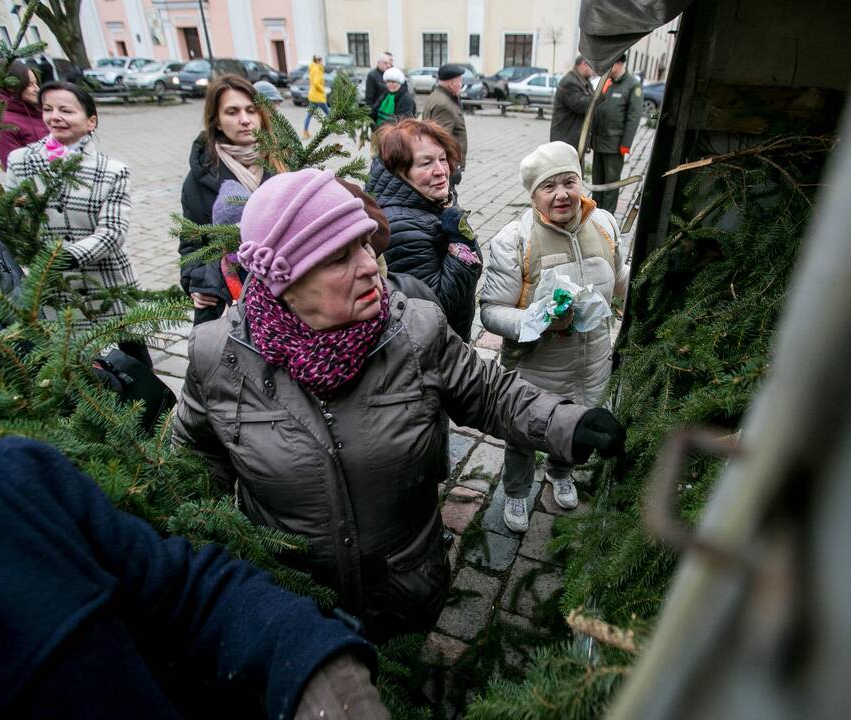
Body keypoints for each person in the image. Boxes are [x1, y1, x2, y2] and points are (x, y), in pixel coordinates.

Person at [173, 168, 625, 641]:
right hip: (289, 605)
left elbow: (490, 393)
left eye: (366, 244)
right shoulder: (218, 355)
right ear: (283, 280)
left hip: (404, 588)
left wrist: (567, 422)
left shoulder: (414, 328)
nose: (370, 265)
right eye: (339, 258)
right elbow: (197, 460)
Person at [0, 437, 389, 719]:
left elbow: (188, 593)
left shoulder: (9, 488)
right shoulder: (221, 354)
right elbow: (200, 459)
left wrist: (314, 662)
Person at [480, 141, 630, 532]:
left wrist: (646, 280)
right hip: (537, 364)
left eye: (570, 182)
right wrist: (535, 319)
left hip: (592, 357)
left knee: (577, 417)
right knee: (526, 430)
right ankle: (515, 492)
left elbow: (618, 279)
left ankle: (560, 472)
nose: (562, 194)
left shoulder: (605, 224)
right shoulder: (514, 240)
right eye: (549, 187)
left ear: (581, 184)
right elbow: (491, 311)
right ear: (534, 195)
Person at [4, 81, 150, 367]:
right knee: (73, 356)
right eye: (48, 109)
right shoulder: (21, 161)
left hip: (106, 278)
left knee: (134, 352)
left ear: (90, 120)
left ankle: (154, 405)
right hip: (51, 284)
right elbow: (13, 221)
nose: (55, 116)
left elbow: (112, 233)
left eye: (66, 110)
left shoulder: (111, 170)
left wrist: (62, 258)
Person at [180, 74, 286, 325]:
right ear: (216, 121)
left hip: (283, 288)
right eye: (232, 112)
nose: (245, 120)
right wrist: (199, 283)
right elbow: (191, 245)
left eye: (251, 110)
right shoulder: (201, 177)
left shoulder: (282, 163)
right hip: (229, 295)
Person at [365, 118, 481, 341]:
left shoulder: (429, 202)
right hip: (433, 354)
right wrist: (462, 243)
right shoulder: (400, 228)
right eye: (426, 163)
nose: (441, 171)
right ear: (399, 171)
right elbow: (437, 307)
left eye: (442, 159)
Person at [591, 53, 642, 214]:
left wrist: (626, 144)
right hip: (599, 143)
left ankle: (607, 216)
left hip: (614, 145)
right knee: (597, 182)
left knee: (611, 184)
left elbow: (633, 118)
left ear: (620, 64)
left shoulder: (632, 85)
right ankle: (594, 213)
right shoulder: (608, 82)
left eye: (611, 65)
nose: (608, 68)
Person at [0, 59, 46, 169]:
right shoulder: (3, 121)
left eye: (36, 83)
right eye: (30, 84)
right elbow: (13, 167)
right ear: (10, 86)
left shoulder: (35, 109)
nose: (37, 89)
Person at [422, 63, 468, 174]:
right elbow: (441, 140)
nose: (461, 85)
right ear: (452, 84)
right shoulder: (444, 105)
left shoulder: (438, 96)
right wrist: (451, 168)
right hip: (447, 166)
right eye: (459, 82)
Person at [550, 55, 596, 151]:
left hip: (574, 138)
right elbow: (581, 106)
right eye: (592, 67)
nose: (594, 71)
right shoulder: (570, 82)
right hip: (566, 139)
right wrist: (601, 94)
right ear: (583, 64)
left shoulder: (584, 81)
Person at [302, 55, 327, 138]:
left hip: (313, 96)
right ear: (318, 61)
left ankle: (305, 132)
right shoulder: (316, 70)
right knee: (329, 113)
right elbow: (316, 83)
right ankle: (329, 130)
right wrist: (323, 90)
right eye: (321, 61)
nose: (322, 62)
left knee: (309, 115)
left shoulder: (313, 69)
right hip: (318, 96)